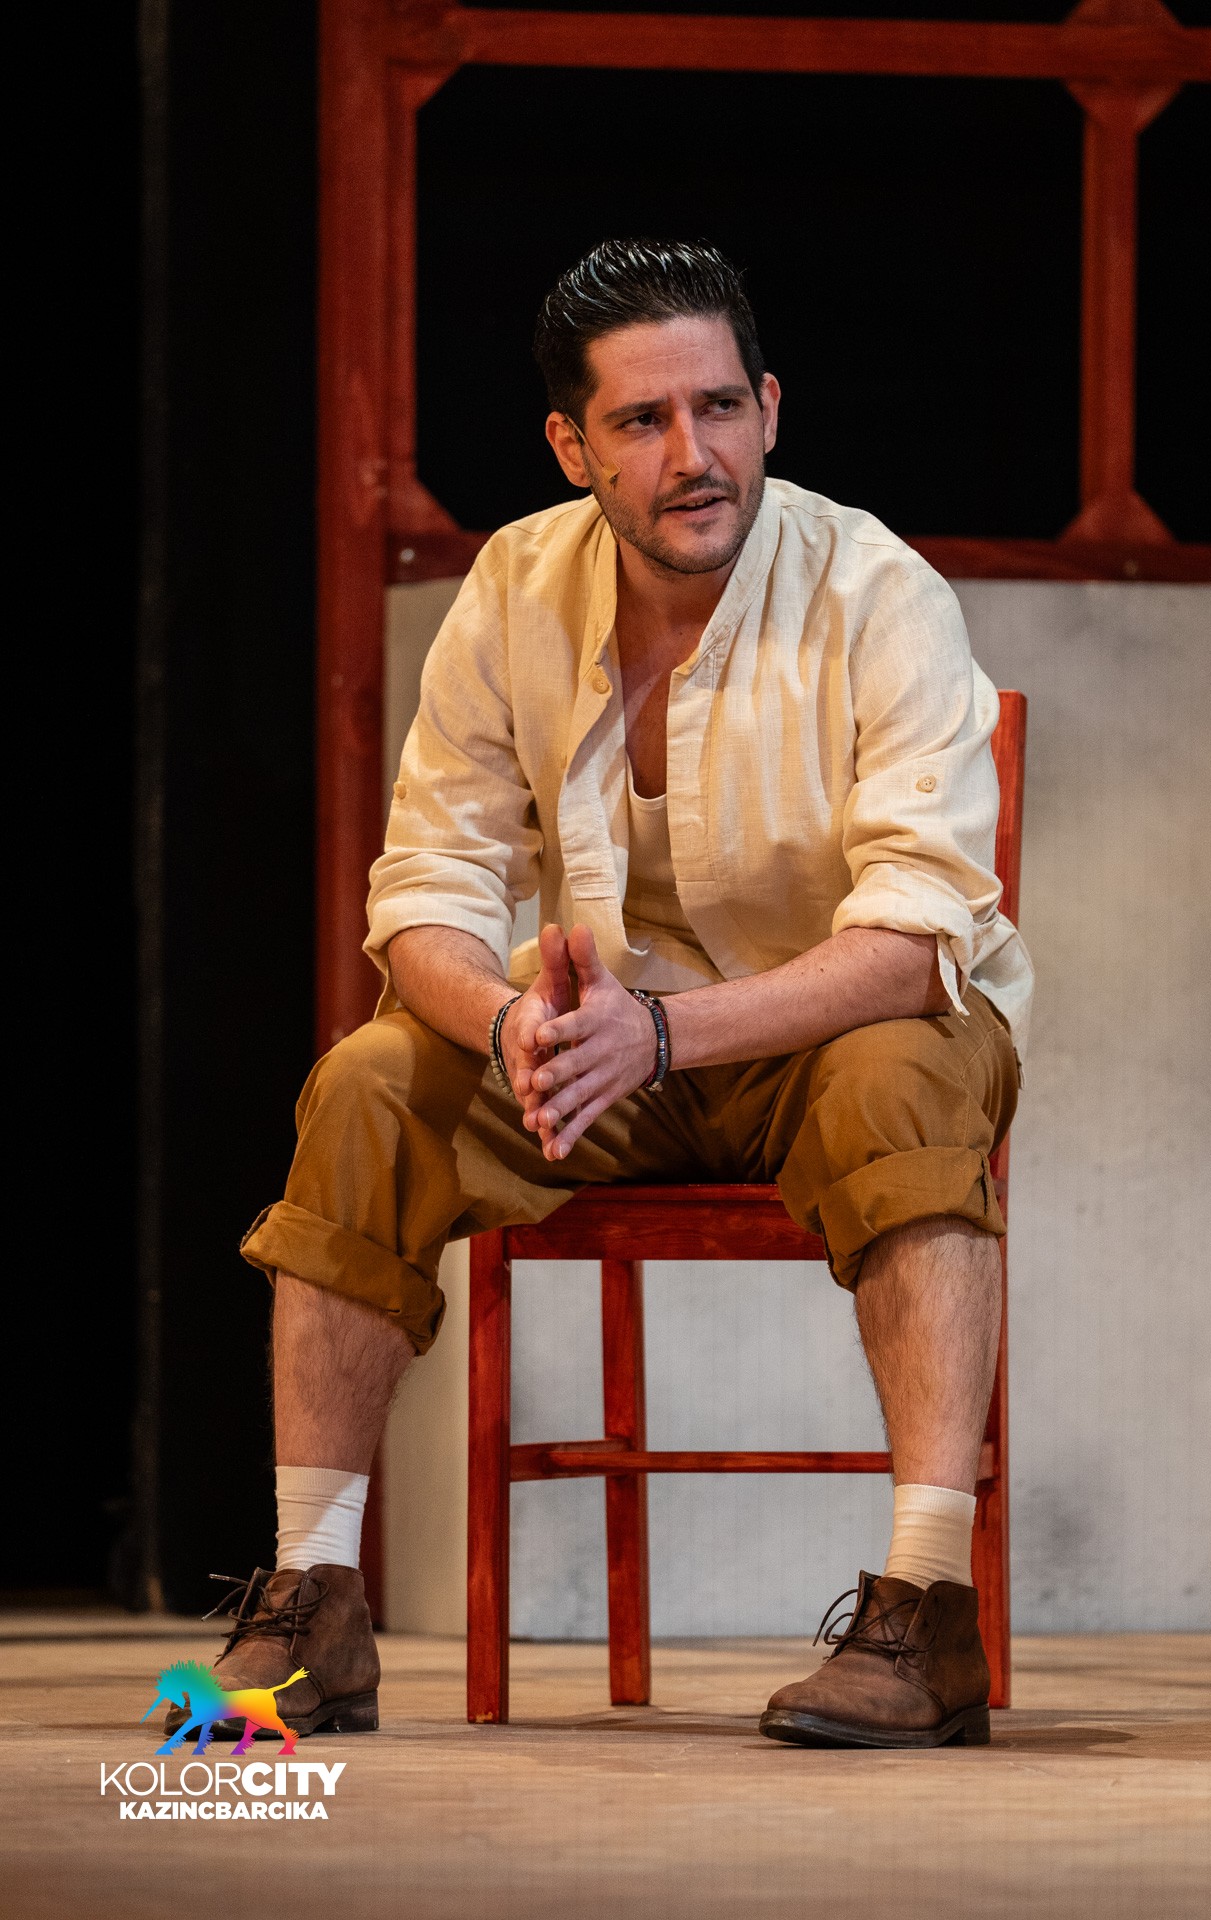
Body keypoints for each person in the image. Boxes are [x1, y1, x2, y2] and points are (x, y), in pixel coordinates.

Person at [182, 237, 1032, 1753]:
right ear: (572, 446)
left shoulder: (877, 588)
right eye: (643, 421)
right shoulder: (513, 588)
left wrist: (665, 1033)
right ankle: (316, 1597)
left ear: (770, 408)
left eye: (720, 407)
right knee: (370, 1080)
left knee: (904, 1068)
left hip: (828, 1036)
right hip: (599, 1055)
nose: (693, 455)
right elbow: (426, 890)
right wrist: (507, 1019)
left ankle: (925, 1612)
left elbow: (916, 938)